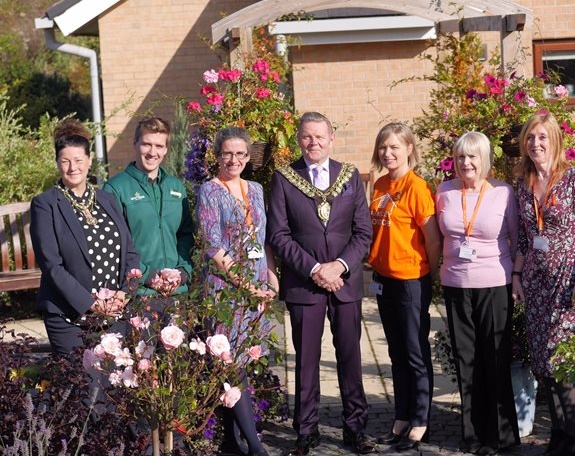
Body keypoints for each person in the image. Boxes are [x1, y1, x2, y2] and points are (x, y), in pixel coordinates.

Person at [267, 112, 375, 455]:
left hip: (345, 282)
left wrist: (338, 267)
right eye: (307, 137)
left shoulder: (350, 176)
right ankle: (306, 429)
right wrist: (315, 269)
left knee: (350, 356)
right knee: (307, 359)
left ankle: (355, 428)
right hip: (304, 283)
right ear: (298, 139)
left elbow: (363, 232)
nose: (313, 143)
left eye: (320, 137)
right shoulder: (284, 178)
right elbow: (279, 236)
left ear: (332, 139)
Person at [511, 112, 575, 456]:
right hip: (534, 283)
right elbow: (522, 237)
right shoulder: (524, 184)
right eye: (531, 138)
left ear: (556, 141)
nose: (536, 144)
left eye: (542, 137)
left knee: (564, 361)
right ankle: (560, 433)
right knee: (543, 362)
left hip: (567, 285)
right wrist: (517, 277)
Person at [436, 132, 520, 455]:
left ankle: (501, 437)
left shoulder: (502, 193)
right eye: (460, 157)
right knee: (465, 360)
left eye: (472, 157)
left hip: (494, 283)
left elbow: (516, 239)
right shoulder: (444, 191)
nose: (466, 163)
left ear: (484, 160)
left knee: (495, 358)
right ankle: (471, 435)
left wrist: (516, 278)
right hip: (455, 284)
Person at [197, 127, 278, 456]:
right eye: (227, 153)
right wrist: (248, 285)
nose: (234, 160)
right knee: (233, 365)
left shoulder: (256, 189)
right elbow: (213, 246)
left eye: (240, 154)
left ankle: (232, 444)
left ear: (248, 157)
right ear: (217, 156)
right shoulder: (209, 191)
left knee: (243, 361)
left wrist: (272, 278)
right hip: (226, 290)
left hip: (257, 288)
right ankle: (256, 447)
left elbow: (263, 238)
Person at [30, 119, 140, 356]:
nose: (73, 168)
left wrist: (124, 293)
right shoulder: (45, 204)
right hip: (69, 315)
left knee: (114, 388)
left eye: (79, 160)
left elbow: (130, 253)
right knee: (80, 385)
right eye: (65, 161)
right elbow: (52, 265)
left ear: (89, 161)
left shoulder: (107, 199)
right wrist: (91, 303)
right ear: (57, 163)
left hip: (115, 311)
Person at [367, 123, 441, 452]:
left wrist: (433, 273)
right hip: (384, 280)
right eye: (384, 147)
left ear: (409, 148)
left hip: (411, 279)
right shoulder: (380, 184)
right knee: (396, 353)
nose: (388, 153)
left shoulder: (418, 188)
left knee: (414, 353)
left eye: (395, 147)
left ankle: (421, 420)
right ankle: (401, 416)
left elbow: (433, 238)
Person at [104, 116, 194, 295]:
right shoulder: (115, 188)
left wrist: (183, 272)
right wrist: (148, 276)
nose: (153, 152)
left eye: (159, 146)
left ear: (166, 149)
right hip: (138, 293)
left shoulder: (176, 187)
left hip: (177, 291)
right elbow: (114, 245)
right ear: (135, 144)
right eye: (147, 144)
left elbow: (186, 235)